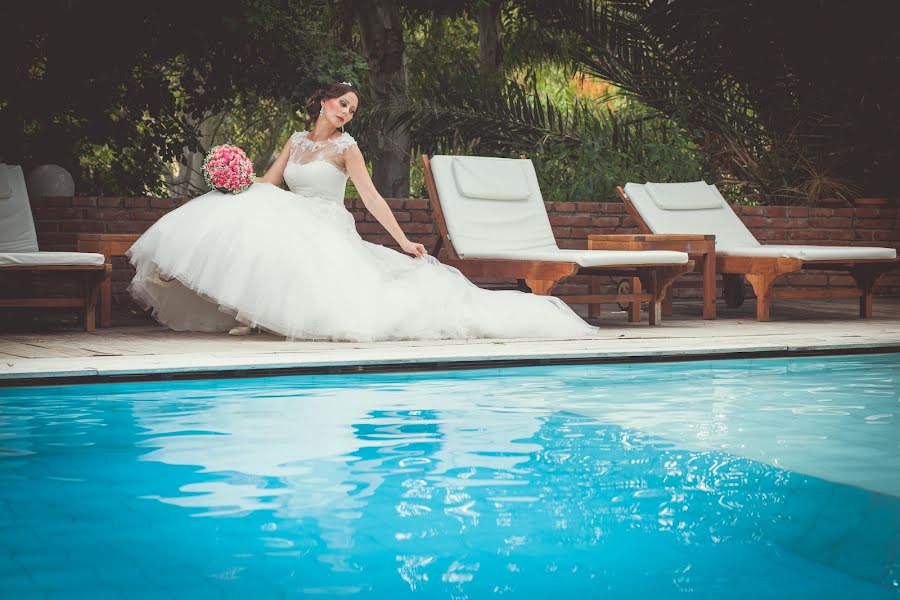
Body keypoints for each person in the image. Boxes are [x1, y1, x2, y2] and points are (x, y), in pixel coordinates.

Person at [127, 82, 595, 341]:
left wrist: (402, 241)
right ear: (323, 103)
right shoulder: (295, 141)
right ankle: (237, 304)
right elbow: (269, 185)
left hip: (325, 222)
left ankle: (255, 315)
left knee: (286, 233)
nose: (347, 112)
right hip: (289, 213)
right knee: (250, 208)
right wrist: (233, 177)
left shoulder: (348, 148)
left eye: (352, 109)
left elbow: (370, 197)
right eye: (342, 104)